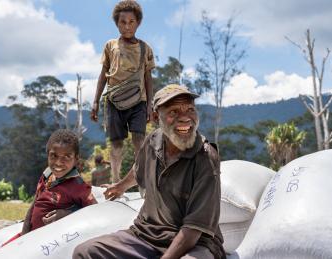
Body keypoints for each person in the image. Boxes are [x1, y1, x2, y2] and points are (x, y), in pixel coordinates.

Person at [74, 84, 226, 259]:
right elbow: (139, 168)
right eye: (174, 112)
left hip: (195, 244)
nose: (185, 118)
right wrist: (121, 186)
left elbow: (192, 231)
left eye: (190, 110)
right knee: (85, 252)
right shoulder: (153, 141)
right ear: (155, 117)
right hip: (146, 235)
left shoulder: (206, 157)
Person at [0, 129, 97, 259]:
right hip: (28, 237)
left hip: (46, 247)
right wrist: (22, 238)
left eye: (66, 157)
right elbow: (34, 205)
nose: (58, 163)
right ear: (47, 154)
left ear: (76, 159)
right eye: (53, 155)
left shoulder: (78, 186)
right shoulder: (47, 175)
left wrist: (67, 213)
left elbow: (95, 211)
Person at [90, 0, 155, 183]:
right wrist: (95, 101)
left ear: (138, 23)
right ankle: (116, 180)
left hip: (139, 101)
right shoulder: (110, 46)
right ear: (116, 23)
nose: (127, 26)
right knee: (116, 142)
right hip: (114, 101)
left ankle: (142, 181)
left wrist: (150, 104)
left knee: (139, 141)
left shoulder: (145, 48)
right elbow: (103, 74)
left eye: (131, 22)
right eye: (122, 22)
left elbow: (148, 78)